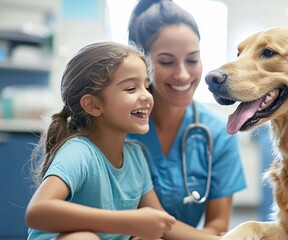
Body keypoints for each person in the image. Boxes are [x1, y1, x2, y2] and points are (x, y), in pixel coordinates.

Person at [25, 41, 220, 240]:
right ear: (93, 105)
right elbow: (37, 212)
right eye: (130, 88)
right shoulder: (79, 152)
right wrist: (129, 221)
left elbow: (164, 225)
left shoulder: (135, 156)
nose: (146, 96)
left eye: (146, 86)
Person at [127, 0, 247, 235]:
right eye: (166, 62)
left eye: (192, 60)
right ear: (142, 63)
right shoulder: (118, 127)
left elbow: (218, 226)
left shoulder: (219, 133)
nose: (182, 74)